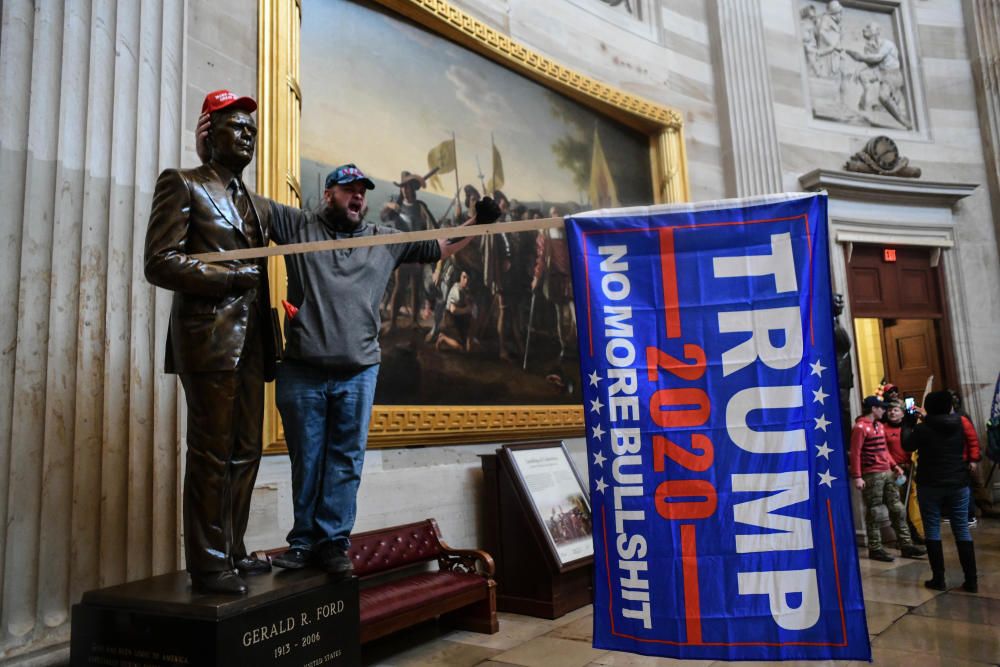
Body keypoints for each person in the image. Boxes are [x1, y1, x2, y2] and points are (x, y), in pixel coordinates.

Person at [266, 165, 498, 575]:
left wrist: (479, 223)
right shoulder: (298, 225)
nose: (357, 197)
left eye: (362, 192)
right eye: (347, 190)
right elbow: (248, 210)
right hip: (302, 369)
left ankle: (333, 544)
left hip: (358, 372)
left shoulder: (383, 240)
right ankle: (303, 543)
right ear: (328, 194)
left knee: (345, 459)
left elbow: (441, 246)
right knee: (307, 460)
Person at [145, 90, 276, 595]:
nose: (247, 136)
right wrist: (226, 278)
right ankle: (208, 563)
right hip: (211, 341)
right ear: (209, 132)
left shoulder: (252, 201)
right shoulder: (182, 184)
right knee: (210, 454)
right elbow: (159, 261)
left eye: (252, 131)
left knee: (246, 452)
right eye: (237, 127)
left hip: (254, 343)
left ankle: (234, 549)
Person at [903, 390, 981, 592]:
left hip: (930, 484)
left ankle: (939, 578)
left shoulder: (923, 429)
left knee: (932, 528)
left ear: (928, 407)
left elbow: (907, 444)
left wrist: (909, 422)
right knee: (961, 529)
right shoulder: (960, 423)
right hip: (958, 482)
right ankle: (971, 581)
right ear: (949, 406)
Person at [849, 396, 925, 562]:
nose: (884, 411)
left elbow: (884, 451)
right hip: (871, 474)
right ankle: (875, 548)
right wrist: (857, 476)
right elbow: (855, 453)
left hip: (887, 471)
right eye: (881, 408)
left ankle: (906, 544)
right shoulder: (860, 427)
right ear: (873, 409)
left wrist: (894, 466)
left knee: (897, 508)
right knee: (874, 511)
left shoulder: (879, 426)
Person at [843, 22, 912, 130]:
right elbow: (870, 62)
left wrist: (859, 57)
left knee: (883, 96)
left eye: (868, 27)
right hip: (883, 76)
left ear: (877, 31)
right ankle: (901, 120)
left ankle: (904, 122)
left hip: (893, 75)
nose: (864, 29)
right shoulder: (869, 47)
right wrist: (857, 70)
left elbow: (877, 58)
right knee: (880, 95)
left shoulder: (887, 44)